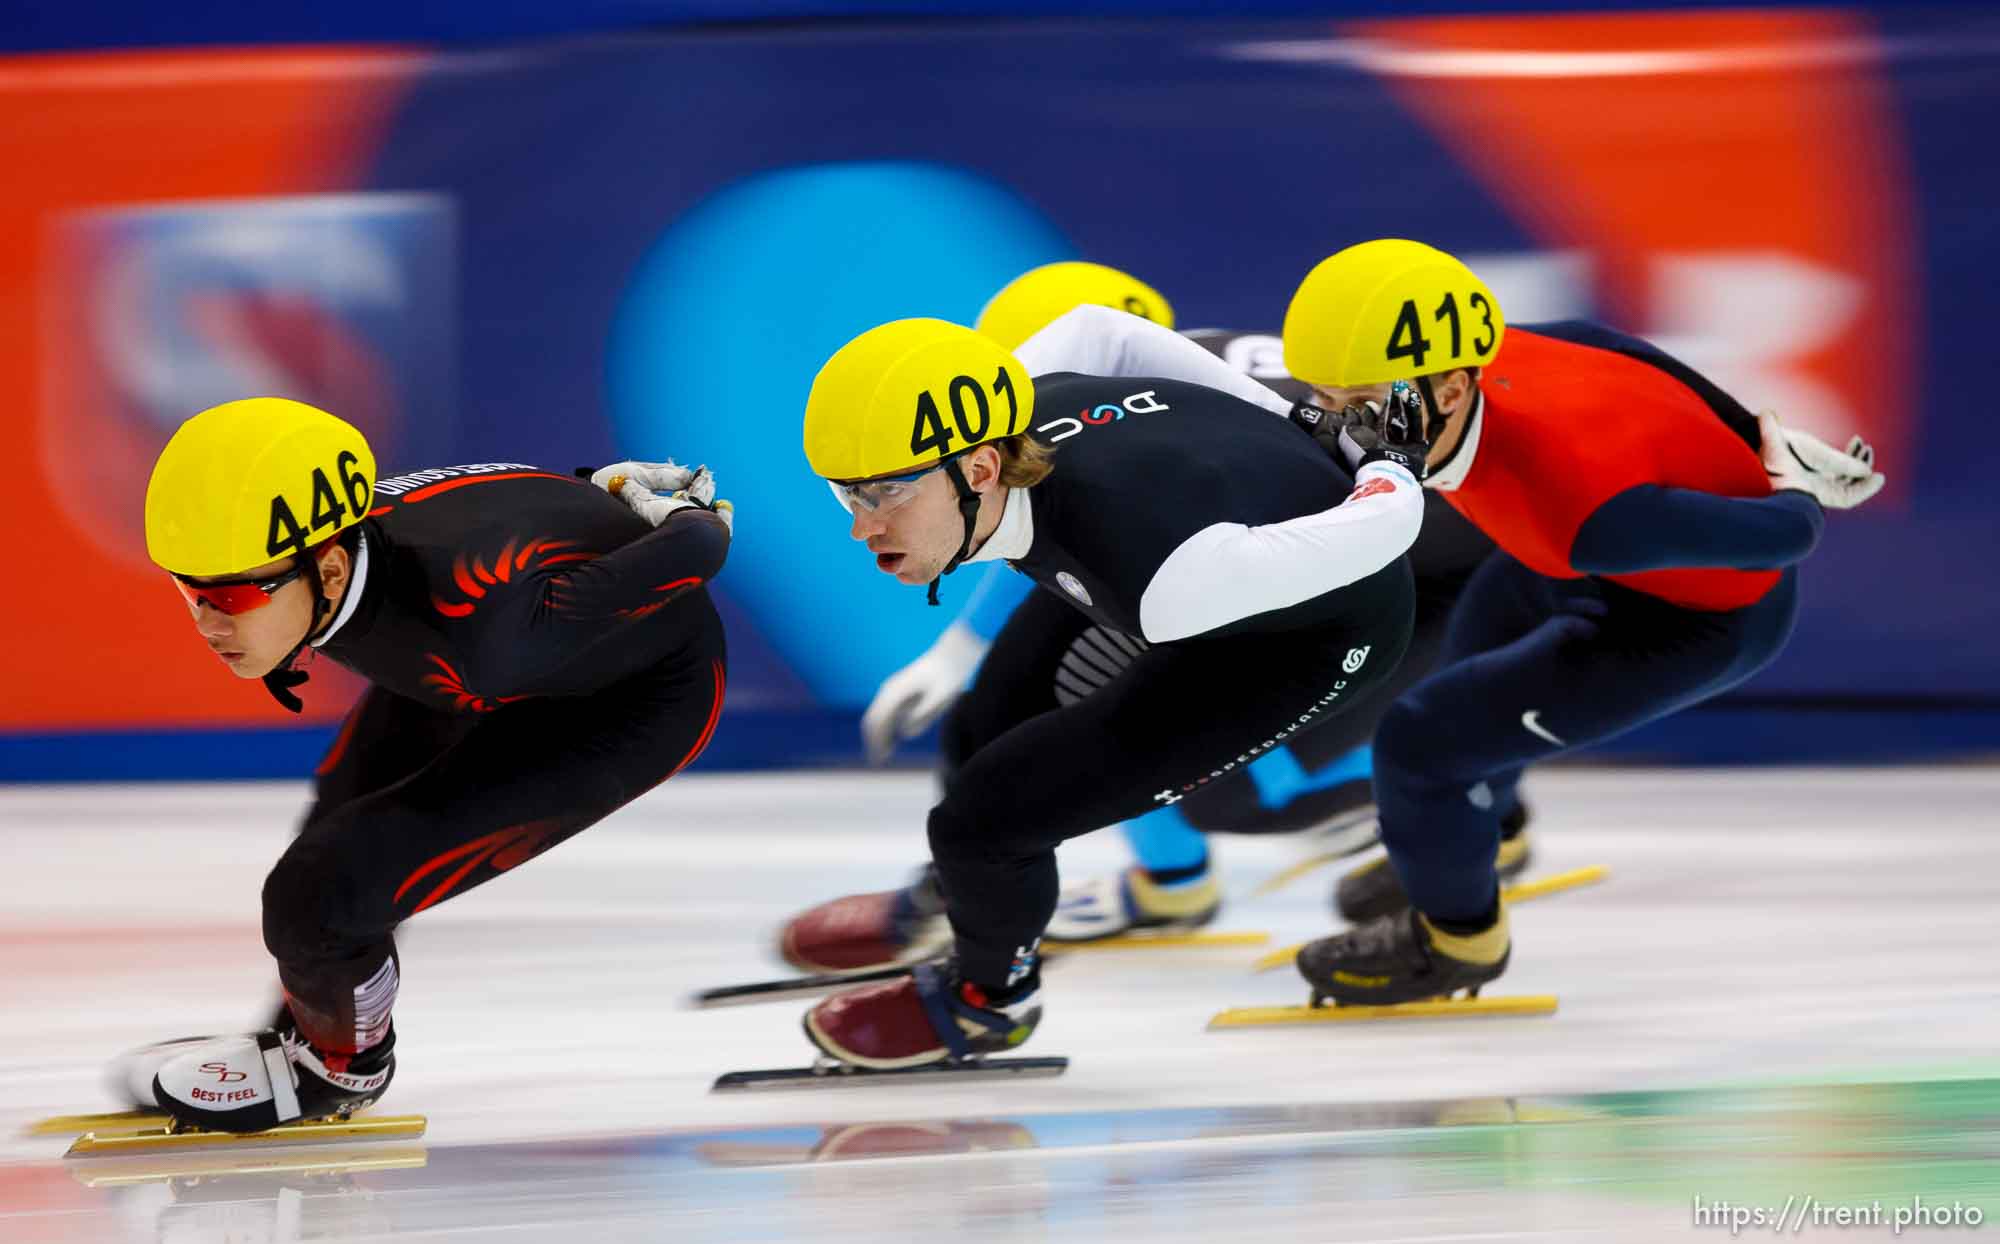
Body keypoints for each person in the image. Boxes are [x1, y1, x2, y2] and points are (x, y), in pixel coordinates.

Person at [790, 315, 1424, 1068]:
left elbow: (1388, 529)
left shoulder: (1162, 582)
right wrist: (1285, 413)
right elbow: (1098, 331)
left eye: (886, 493)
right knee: (986, 722)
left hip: (1309, 633)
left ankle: (989, 1003)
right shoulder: (1016, 403)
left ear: (983, 471)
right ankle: (970, 902)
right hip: (1189, 541)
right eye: (847, 497)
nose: (864, 528)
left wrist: (1385, 471)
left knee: (986, 822)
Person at [1277, 239, 1883, 1005]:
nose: (1345, 429)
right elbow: (1596, 340)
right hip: (1585, 557)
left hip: (1692, 627)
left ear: (1457, 389)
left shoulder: (1576, 512)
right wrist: (1747, 426)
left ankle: (1458, 944)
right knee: (1469, 656)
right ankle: (1484, 833)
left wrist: (1789, 482)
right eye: (1326, 401)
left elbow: (1787, 537)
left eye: (1364, 404)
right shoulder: (1498, 353)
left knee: (1420, 745)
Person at [836, 261, 1501, 949]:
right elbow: (1044, 537)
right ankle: (1162, 883)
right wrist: (962, 653)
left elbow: (1065, 536)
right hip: (1273, 546)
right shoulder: (1136, 386)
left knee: (1223, 790)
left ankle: (1461, 797)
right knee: (1039, 698)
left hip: (1413, 564)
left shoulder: (1130, 431)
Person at [113, 397, 733, 1132]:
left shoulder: (483, 622)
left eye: (232, 594)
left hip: (631, 699)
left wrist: (680, 508)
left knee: (318, 894)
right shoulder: (337, 550)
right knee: (339, 814)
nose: (208, 623)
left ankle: (339, 1068)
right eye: (189, 589)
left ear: (333, 569)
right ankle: (311, 1032)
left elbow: (703, 550)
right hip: (466, 654)